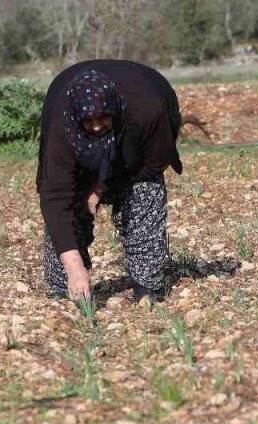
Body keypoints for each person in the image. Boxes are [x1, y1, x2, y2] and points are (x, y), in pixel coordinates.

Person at [37, 60, 183, 304]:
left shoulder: (148, 112)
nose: (95, 126)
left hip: (140, 141)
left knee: (143, 194)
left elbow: (154, 162)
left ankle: (148, 284)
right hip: (67, 111)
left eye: (103, 118)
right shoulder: (61, 128)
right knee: (70, 205)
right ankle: (63, 287)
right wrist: (75, 268)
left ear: (114, 109)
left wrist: (101, 186)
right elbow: (55, 197)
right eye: (88, 121)